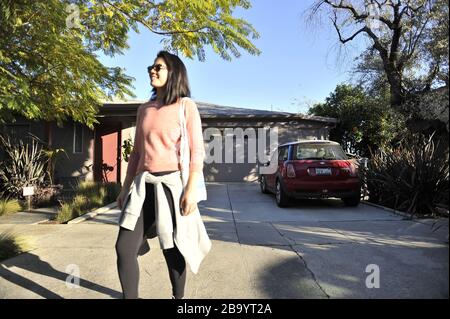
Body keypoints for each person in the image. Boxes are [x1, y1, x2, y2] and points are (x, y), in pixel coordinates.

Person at [115, 50, 211, 299]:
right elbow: (136, 154)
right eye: (151, 66)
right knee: (124, 248)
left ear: (174, 73)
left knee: (172, 247)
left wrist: (190, 190)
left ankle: (178, 299)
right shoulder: (144, 109)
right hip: (143, 186)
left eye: (158, 67)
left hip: (172, 187)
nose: (152, 70)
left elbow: (197, 150)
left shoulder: (185, 106)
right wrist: (125, 189)